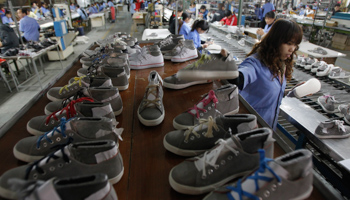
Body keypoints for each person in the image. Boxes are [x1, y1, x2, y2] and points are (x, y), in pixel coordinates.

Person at [225, 19, 303, 130]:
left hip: (267, 129)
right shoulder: (255, 63)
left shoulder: (280, 64)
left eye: (295, 45)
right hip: (247, 130)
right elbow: (240, 77)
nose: (292, 49)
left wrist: (291, 91)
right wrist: (227, 68)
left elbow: (269, 92)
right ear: (276, 40)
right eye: (288, 43)